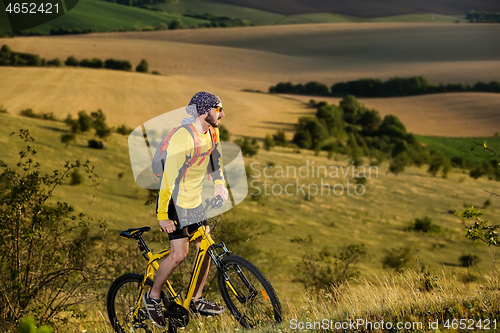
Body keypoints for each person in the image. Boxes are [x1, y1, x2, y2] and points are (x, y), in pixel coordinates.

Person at [143, 91, 229, 328]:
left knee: (205, 246)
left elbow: (215, 159)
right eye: (218, 109)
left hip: (195, 199)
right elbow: (168, 179)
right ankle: (153, 296)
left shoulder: (212, 132)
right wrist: (162, 216)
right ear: (204, 111)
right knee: (180, 254)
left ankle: (196, 299)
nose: (222, 114)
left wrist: (219, 185)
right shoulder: (184, 138)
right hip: (174, 203)